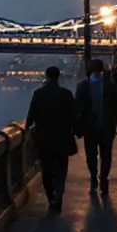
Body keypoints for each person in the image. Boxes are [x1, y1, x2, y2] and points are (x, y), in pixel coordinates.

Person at [26, 66, 79, 212]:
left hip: (44, 139)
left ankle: (51, 199)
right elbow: (74, 114)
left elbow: (30, 117)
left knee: (47, 171)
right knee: (62, 170)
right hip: (63, 138)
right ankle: (59, 197)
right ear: (58, 77)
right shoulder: (66, 94)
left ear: (46, 76)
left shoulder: (39, 93)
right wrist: (77, 131)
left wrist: (27, 131)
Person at [75, 59, 117, 195]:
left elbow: (78, 109)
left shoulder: (82, 86)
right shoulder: (111, 86)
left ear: (90, 69)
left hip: (89, 128)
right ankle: (104, 178)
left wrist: (77, 128)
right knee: (106, 155)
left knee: (91, 155)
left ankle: (93, 177)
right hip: (107, 126)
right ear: (102, 69)